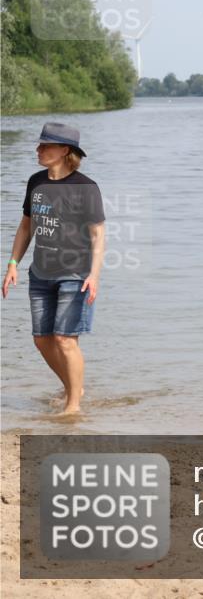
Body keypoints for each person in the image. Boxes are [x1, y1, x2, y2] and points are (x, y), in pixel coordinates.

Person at [2, 123, 105, 416]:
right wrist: (12, 264)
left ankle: (73, 406)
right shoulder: (36, 182)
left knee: (64, 339)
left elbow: (98, 235)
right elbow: (26, 227)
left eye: (45, 146)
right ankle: (75, 387)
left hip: (75, 275)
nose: (38, 149)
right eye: (39, 145)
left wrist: (94, 275)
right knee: (42, 339)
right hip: (40, 275)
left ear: (64, 151)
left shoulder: (86, 188)